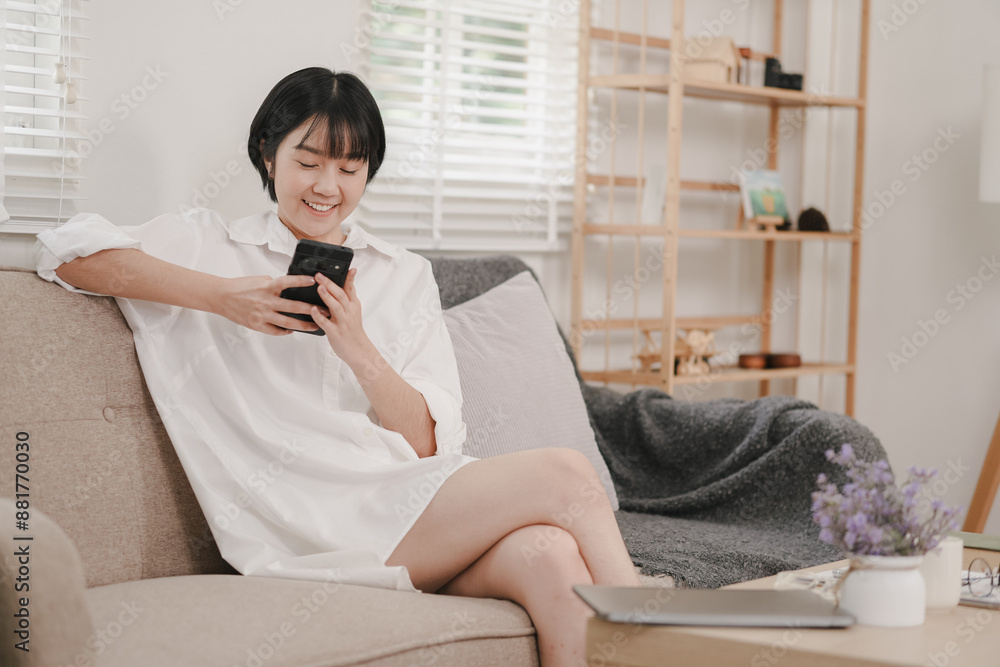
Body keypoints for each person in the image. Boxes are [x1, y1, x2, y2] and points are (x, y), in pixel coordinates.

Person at [34, 67, 639, 667]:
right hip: (300, 525)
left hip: (399, 506)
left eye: (350, 169)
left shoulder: (404, 274)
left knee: (551, 552)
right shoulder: (211, 247)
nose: (328, 186)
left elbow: (428, 445)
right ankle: (657, 639)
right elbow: (63, 250)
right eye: (309, 162)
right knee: (567, 474)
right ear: (268, 155)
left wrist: (357, 348)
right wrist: (223, 297)